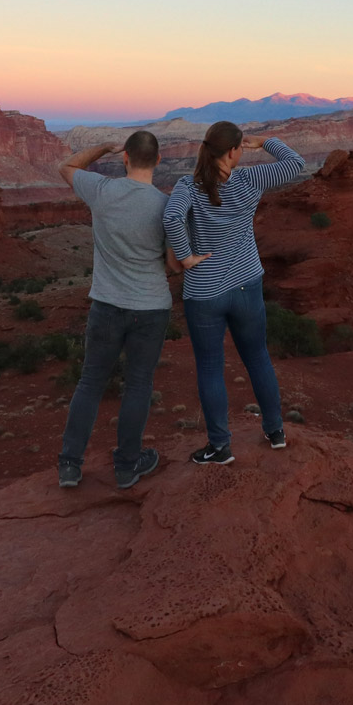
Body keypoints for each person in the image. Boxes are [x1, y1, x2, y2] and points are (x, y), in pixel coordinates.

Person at [162, 121, 309, 465]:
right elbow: (295, 162)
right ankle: (275, 432)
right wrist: (266, 141)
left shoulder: (189, 186)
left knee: (211, 368)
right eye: (240, 147)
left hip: (205, 292)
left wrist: (186, 257)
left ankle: (220, 447)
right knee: (258, 357)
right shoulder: (249, 180)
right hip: (246, 284)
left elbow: (171, 218)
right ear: (232, 151)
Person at [56, 130, 169, 490]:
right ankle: (126, 466)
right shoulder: (166, 206)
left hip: (106, 304)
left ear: (125, 158)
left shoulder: (102, 190)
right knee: (138, 385)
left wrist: (104, 146)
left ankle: (70, 466)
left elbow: (68, 166)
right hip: (150, 307)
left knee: (90, 382)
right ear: (159, 161)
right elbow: (173, 261)